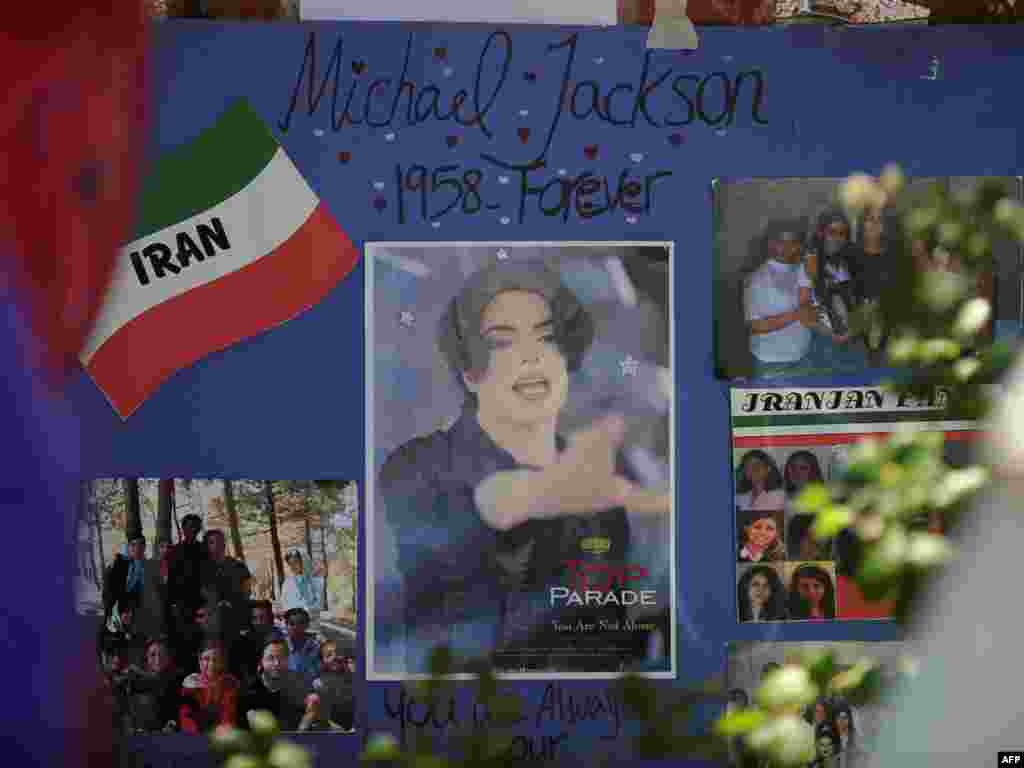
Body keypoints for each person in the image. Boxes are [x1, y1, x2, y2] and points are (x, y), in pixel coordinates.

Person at [379, 260, 668, 673]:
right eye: (502, 342)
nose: (531, 356)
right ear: (469, 371)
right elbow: (478, 513)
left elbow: (608, 633)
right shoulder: (414, 467)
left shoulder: (604, 479)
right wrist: (543, 492)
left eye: (547, 338)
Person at [743, 220, 820, 377]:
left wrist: (813, 276)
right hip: (772, 363)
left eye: (793, 241)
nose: (787, 246)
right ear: (770, 243)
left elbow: (809, 307)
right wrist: (798, 314)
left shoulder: (799, 269)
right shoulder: (758, 278)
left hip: (804, 355)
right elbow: (755, 325)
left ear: (799, 245)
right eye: (781, 241)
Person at [239, 638, 317, 731]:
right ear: (261, 662)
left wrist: (302, 729)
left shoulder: (298, 682)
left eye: (281, 658)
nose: (276, 663)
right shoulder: (249, 688)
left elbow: (312, 705)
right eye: (270, 658)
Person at [199, 528, 252, 655]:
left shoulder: (238, 566)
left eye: (220, 541)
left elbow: (247, 591)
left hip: (236, 623)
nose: (217, 545)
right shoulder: (200, 569)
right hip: (211, 626)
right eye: (212, 542)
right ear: (206, 545)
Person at [103, 533, 164, 640]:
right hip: (120, 616)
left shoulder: (150, 566)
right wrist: (114, 613)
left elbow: (157, 593)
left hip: (144, 618)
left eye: (140, 545)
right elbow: (109, 594)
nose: (137, 548)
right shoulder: (118, 565)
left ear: (144, 547)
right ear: (128, 547)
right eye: (133, 545)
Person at [166, 514, 208, 665]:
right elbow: (169, 581)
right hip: (181, 606)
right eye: (189, 526)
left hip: (202, 604)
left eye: (195, 527)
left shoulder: (204, 550)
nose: (192, 530)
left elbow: (209, 577)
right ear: (183, 529)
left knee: (202, 641)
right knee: (183, 643)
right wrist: (173, 605)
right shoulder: (174, 552)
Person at [178, 641, 240, 734]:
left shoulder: (229, 683)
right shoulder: (191, 683)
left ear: (222, 663)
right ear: (199, 662)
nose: (211, 664)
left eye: (216, 660)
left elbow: (229, 713)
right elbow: (186, 715)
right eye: (206, 659)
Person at [130, 638, 184, 733]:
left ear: (168, 657)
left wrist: (172, 724)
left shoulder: (179, 679)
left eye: (162, 654)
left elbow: (179, 713)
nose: (158, 659)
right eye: (152, 655)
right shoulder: (136, 681)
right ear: (146, 657)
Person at [234, 599, 285, 684]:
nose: (258, 622)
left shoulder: (279, 639)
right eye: (254, 618)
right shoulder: (246, 639)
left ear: (270, 618)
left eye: (262, 617)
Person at [312, 640, 355, 731]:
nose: (334, 657)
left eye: (337, 653)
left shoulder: (353, 676)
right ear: (322, 661)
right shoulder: (319, 684)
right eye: (328, 655)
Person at [281, 549, 324, 624]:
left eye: (296, 562)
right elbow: (284, 604)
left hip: (311, 624)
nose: (293, 566)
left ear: (304, 561)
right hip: (293, 625)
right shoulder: (287, 583)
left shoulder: (317, 581)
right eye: (290, 563)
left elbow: (318, 604)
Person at [283, 607, 321, 685]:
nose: (296, 627)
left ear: (307, 625)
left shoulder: (315, 645)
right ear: (286, 625)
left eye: (301, 623)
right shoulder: (279, 646)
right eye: (292, 623)